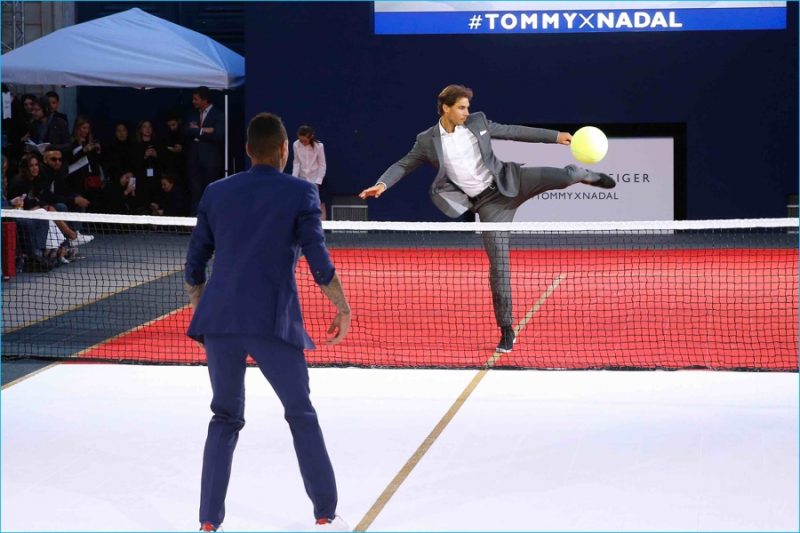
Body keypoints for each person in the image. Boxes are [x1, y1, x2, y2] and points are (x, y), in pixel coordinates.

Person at [185, 112, 351, 532]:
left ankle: (208, 520)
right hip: (272, 321)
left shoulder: (215, 192)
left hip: (219, 322)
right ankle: (324, 511)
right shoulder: (301, 193)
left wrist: (202, 308)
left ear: (246, 149)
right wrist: (342, 308)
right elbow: (318, 259)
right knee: (300, 412)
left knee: (224, 417)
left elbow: (193, 265)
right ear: (283, 150)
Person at [359, 84, 616, 353]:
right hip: (488, 206)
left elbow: (513, 131)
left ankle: (587, 175)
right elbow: (403, 164)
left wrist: (555, 136)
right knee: (499, 268)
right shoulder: (427, 141)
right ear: (446, 108)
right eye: (461, 107)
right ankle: (506, 329)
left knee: (566, 176)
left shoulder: (478, 122)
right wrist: (382, 184)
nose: (466, 112)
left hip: (510, 180)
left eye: (467, 107)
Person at [184, 86, 224, 215]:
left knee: (210, 191)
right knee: (195, 191)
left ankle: (210, 221)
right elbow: (187, 130)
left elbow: (219, 134)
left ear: (204, 100)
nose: (193, 102)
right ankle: (193, 222)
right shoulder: (192, 113)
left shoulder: (219, 114)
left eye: (196, 99)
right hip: (194, 160)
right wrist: (205, 130)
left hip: (211, 161)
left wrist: (197, 130)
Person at [292, 124, 328, 220]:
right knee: (301, 204)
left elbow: (322, 164)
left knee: (320, 204)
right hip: (302, 178)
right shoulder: (295, 145)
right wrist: (294, 179)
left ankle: (322, 229)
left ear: (311, 137)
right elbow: (296, 163)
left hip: (316, 178)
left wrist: (318, 181)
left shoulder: (319, 146)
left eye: (305, 141)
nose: (303, 143)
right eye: (301, 140)